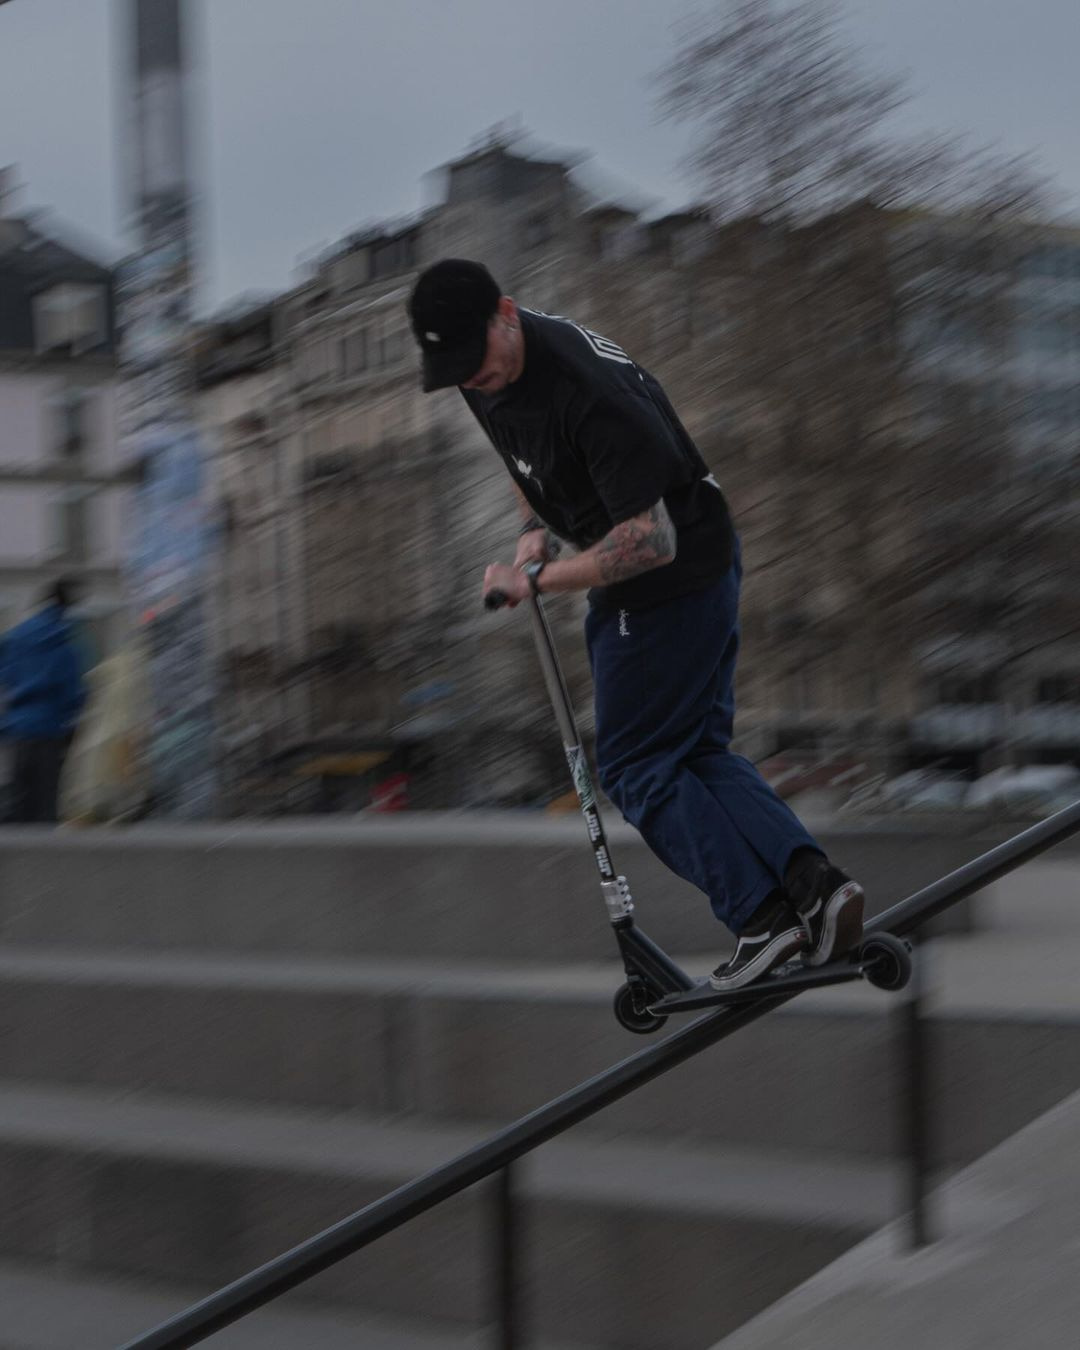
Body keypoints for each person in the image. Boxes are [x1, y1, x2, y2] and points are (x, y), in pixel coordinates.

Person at [407, 259, 864, 990]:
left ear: (508, 312)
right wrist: (534, 530)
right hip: (694, 562)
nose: (473, 381)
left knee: (635, 766)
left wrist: (536, 580)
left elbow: (650, 542)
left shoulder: (588, 392)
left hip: (668, 579)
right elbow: (518, 454)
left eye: (477, 362)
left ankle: (762, 920)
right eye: (457, 370)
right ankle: (817, 888)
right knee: (698, 752)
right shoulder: (483, 371)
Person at [0, 578, 87, 824]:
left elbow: (5, 675)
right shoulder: (64, 642)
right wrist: (72, 721)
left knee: (19, 797)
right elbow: (72, 691)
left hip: (18, 727)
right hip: (50, 727)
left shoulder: (16, 637)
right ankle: (46, 859)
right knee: (46, 800)